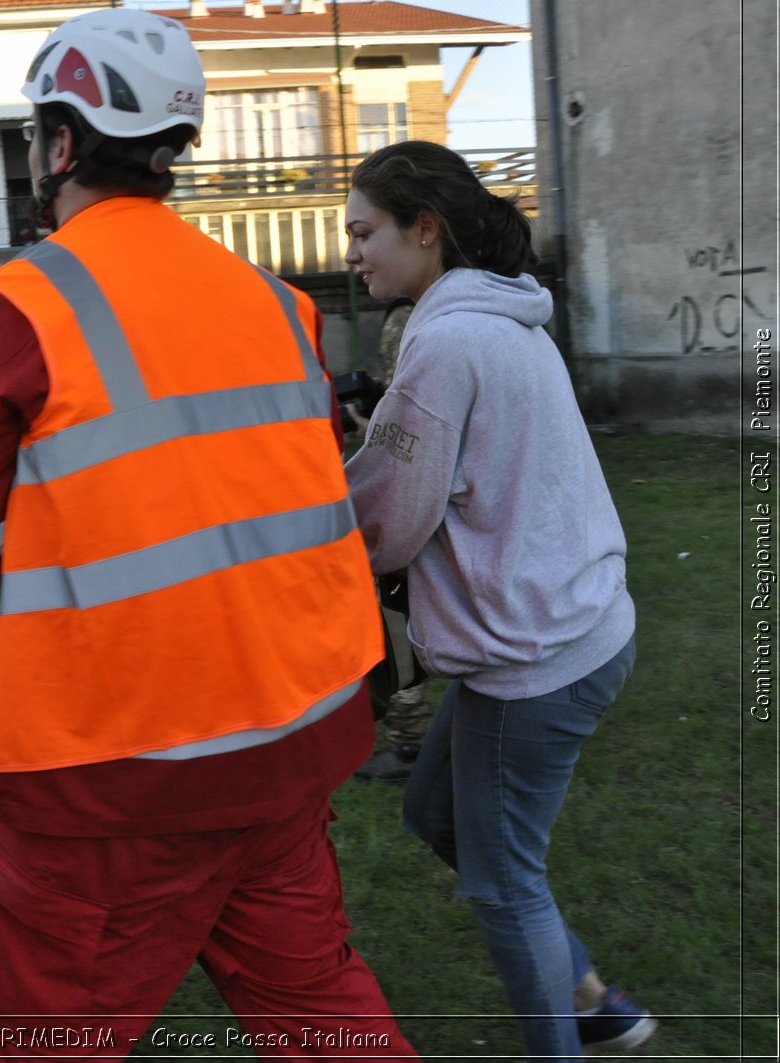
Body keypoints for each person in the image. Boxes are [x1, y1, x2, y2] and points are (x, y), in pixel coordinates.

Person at [0, 11, 418, 1057]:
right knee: (322, 1012)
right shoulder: (275, 303)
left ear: (62, 145)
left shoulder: (17, 310)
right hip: (286, 743)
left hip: (112, 777)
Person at [341, 139, 653, 1060]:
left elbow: (385, 526)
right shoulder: (503, 317)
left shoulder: (444, 342)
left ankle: (574, 1034)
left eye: (366, 232)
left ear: (425, 229)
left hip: (537, 661)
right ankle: (594, 997)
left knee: (501, 880)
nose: (352, 253)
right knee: (434, 812)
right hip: (577, 627)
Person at [352, 299, 435, 783]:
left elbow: (404, 423)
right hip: (433, 496)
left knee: (397, 608)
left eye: (365, 235)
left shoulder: (407, 320)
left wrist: (369, 433)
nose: (353, 255)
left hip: (406, 502)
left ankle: (409, 743)